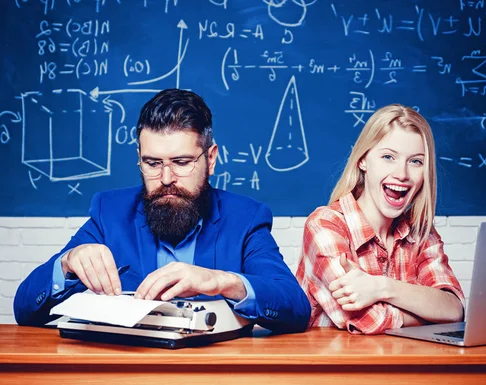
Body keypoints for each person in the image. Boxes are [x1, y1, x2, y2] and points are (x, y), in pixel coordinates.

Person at [14, 88, 311, 334]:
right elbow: (25, 310)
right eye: (153, 163)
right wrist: (67, 263)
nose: (166, 179)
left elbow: (295, 307)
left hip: (218, 377)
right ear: (139, 159)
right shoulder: (110, 213)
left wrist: (221, 281)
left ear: (211, 159)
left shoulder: (246, 219)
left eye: (182, 162)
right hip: (125, 375)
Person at [295, 104, 465, 334]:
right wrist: (428, 313)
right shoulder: (325, 226)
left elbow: (454, 309)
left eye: (416, 161)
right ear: (363, 160)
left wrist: (381, 287)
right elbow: (370, 320)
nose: (402, 174)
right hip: (338, 366)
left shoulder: (421, 233)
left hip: (402, 365)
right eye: (388, 157)